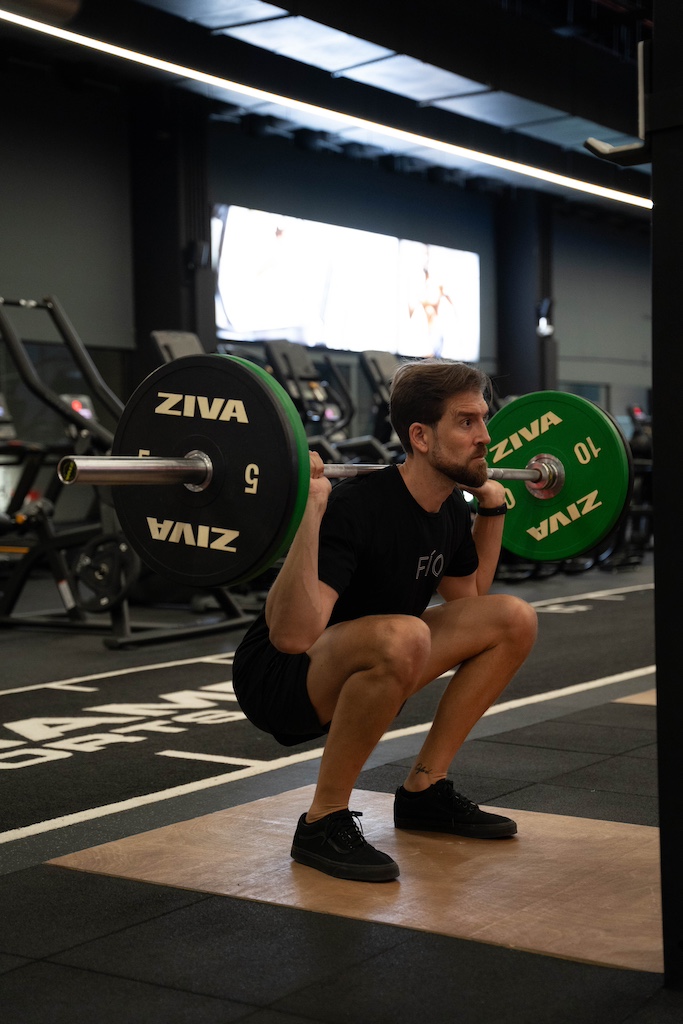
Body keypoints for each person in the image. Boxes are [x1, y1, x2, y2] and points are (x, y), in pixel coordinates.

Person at [232, 359, 538, 882]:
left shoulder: (444, 509)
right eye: (467, 422)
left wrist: (493, 512)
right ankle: (322, 821)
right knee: (407, 632)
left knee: (513, 618)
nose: (485, 437)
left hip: (376, 657)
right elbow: (290, 636)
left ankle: (425, 791)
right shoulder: (358, 508)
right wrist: (310, 511)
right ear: (420, 436)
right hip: (281, 678)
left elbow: (470, 602)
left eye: (483, 420)